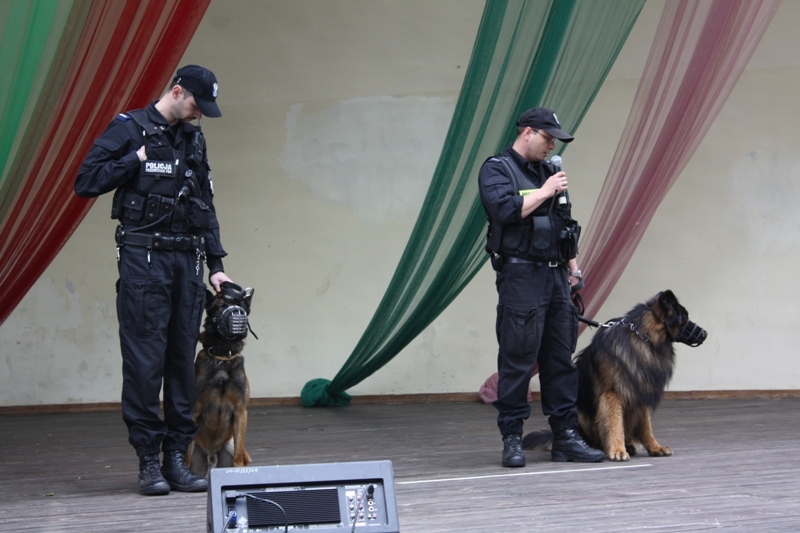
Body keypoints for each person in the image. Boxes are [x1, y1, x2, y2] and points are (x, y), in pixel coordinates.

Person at [75, 65, 234, 495]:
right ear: (177, 91)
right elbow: (85, 181)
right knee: (145, 364)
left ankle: (175, 459)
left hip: (187, 263)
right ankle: (148, 461)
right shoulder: (130, 129)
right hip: (144, 260)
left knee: (181, 363)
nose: (199, 114)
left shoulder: (194, 139)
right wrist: (134, 160)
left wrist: (216, 264)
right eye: (197, 105)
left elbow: (204, 203)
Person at [478, 107, 604, 467]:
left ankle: (565, 437)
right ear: (528, 132)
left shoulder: (549, 171)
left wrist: (574, 270)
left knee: (559, 359)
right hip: (521, 276)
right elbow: (504, 211)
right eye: (548, 138)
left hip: (556, 277)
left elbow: (565, 226)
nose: (551, 146)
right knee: (517, 359)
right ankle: (512, 439)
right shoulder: (497, 169)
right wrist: (546, 191)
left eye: (555, 141)